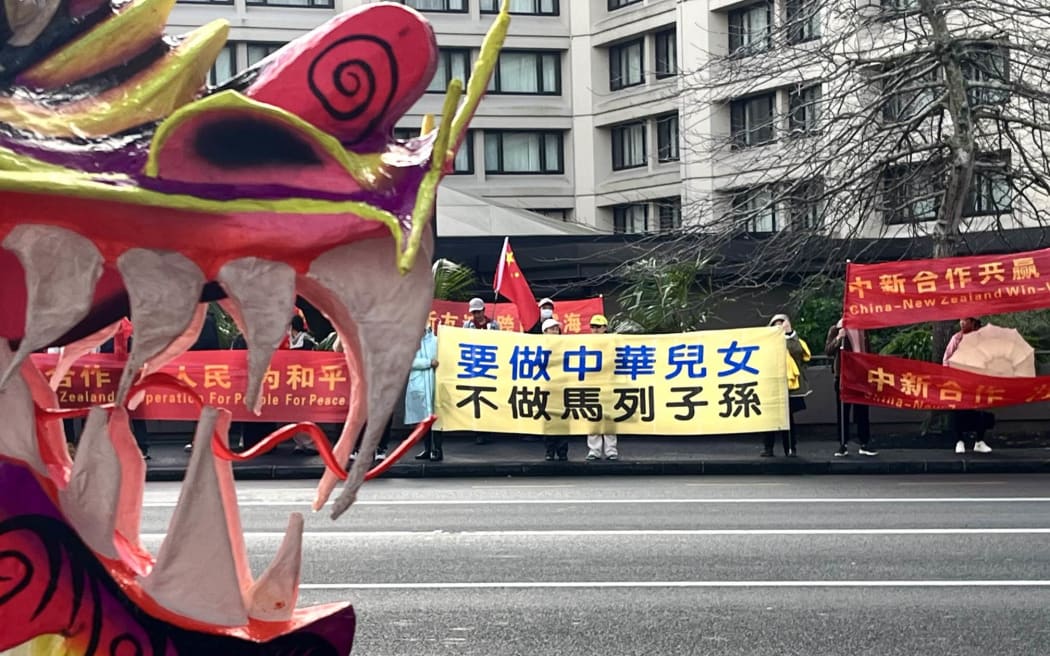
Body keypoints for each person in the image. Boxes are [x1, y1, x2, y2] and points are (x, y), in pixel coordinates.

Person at [825, 318, 877, 457]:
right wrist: (838, 338)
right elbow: (828, 350)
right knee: (843, 411)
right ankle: (843, 444)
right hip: (843, 376)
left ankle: (864, 442)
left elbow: (868, 351)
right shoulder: (836, 328)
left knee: (862, 411)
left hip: (860, 375)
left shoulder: (862, 329)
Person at [762, 313, 810, 458]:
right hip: (772, 384)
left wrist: (789, 334)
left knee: (787, 419)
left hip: (788, 386)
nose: (779, 326)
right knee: (770, 418)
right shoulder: (766, 342)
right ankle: (768, 448)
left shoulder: (793, 340)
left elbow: (797, 352)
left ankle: (790, 448)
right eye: (776, 324)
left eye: (781, 323)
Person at [943, 317, 993, 454]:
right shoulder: (956, 339)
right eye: (961, 320)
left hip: (977, 381)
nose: (962, 322)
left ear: (973, 322)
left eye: (965, 320)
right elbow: (946, 359)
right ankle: (959, 441)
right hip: (959, 381)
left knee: (981, 410)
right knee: (958, 411)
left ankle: (979, 441)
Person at [585, 314, 617, 461]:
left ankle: (611, 450)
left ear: (605, 328)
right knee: (593, 419)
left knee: (609, 419)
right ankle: (594, 450)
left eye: (598, 327)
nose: (595, 329)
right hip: (592, 384)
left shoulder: (612, 343)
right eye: (593, 326)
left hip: (608, 384)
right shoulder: (585, 343)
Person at [408, 326, 441, 461]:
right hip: (419, 384)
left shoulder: (436, 341)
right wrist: (428, 363)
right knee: (423, 419)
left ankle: (437, 449)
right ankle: (427, 449)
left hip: (434, 383)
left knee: (437, 419)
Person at [540, 318, 570, 461]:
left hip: (562, 387)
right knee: (549, 419)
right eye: (551, 329)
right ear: (544, 331)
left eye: (556, 329)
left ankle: (562, 451)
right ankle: (549, 451)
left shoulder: (565, 345)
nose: (554, 331)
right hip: (547, 387)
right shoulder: (538, 345)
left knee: (563, 418)